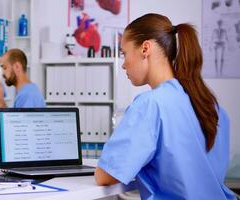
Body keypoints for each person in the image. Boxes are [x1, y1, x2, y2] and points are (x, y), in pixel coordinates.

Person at [94, 13, 236, 200]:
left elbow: (105, 176)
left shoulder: (150, 105)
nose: (123, 64)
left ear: (145, 48)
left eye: (124, 53)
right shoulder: (210, 106)